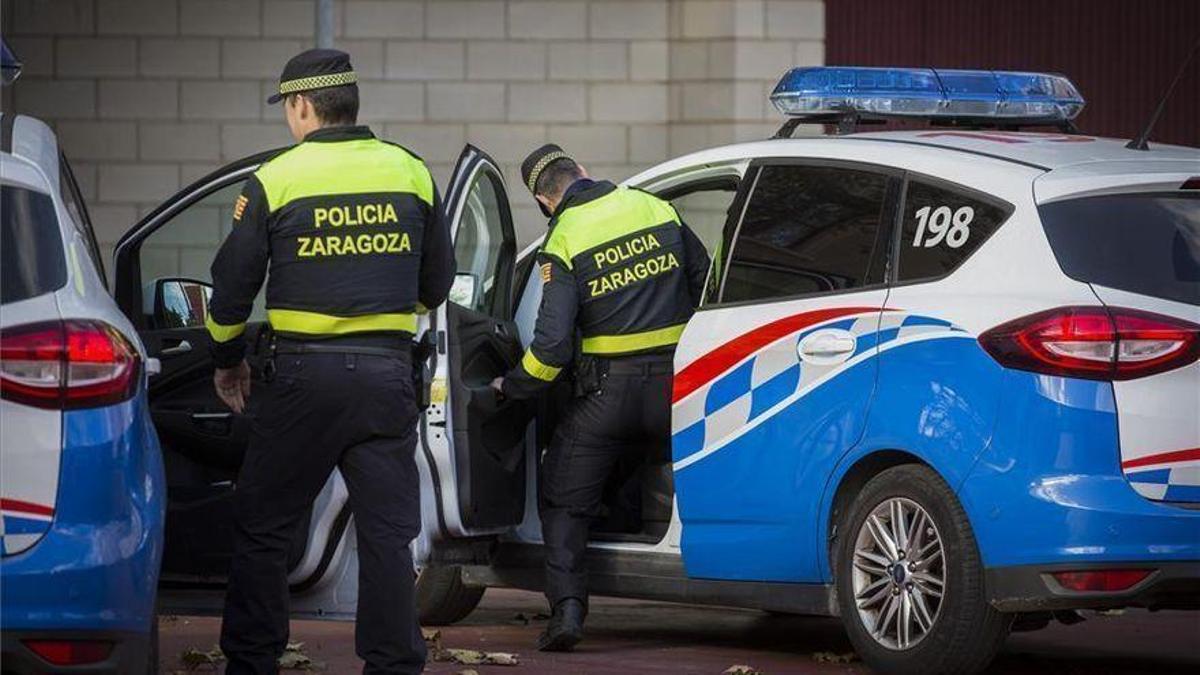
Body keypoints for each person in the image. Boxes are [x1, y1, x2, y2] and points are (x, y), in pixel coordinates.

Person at [206, 48, 454, 675]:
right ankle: (395, 664)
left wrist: (227, 358)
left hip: (299, 382)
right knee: (386, 535)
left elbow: (233, 286)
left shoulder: (277, 177)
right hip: (386, 377)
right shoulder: (410, 171)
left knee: (265, 527)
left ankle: (253, 663)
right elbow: (439, 281)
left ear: (301, 105)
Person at [491, 145, 710, 651]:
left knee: (564, 497)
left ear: (546, 202)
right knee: (643, 458)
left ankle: (567, 613)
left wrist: (512, 387)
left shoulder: (563, 238)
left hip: (607, 397)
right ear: (583, 172)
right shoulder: (654, 207)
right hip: (681, 389)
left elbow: (550, 349)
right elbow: (707, 283)